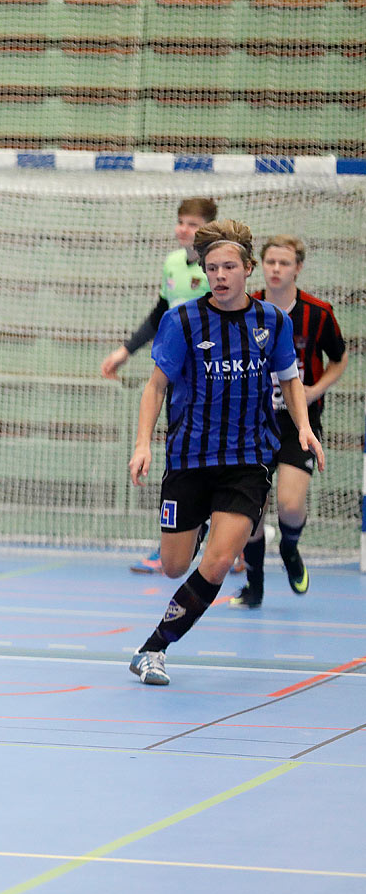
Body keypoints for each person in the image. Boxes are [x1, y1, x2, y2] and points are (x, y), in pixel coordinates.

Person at [126, 220, 323, 686]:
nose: (219, 275)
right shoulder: (183, 321)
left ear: (248, 269)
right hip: (190, 459)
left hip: (248, 461)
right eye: (212, 267)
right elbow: (155, 388)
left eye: (229, 266)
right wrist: (142, 443)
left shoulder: (273, 322)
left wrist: (302, 427)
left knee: (216, 564)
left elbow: (290, 379)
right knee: (175, 565)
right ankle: (197, 530)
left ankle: (154, 649)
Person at [102, 197, 221, 574]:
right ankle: (176, 540)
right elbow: (160, 314)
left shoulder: (217, 270)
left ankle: (234, 539)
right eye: (181, 222)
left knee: (217, 454)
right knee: (180, 454)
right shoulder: (172, 263)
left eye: (192, 223)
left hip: (215, 376)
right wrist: (125, 351)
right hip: (177, 375)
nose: (183, 229)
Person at [229, 235, 348, 608]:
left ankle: (291, 550)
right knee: (251, 509)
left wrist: (314, 391)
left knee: (290, 505)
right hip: (252, 423)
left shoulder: (318, 313)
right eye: (270, 263)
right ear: (260, 267)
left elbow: (339, 359)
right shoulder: (247, 308)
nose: (276, 269)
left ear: (297, 267)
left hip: (299, 423)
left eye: (284, 263)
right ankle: (255, 586)